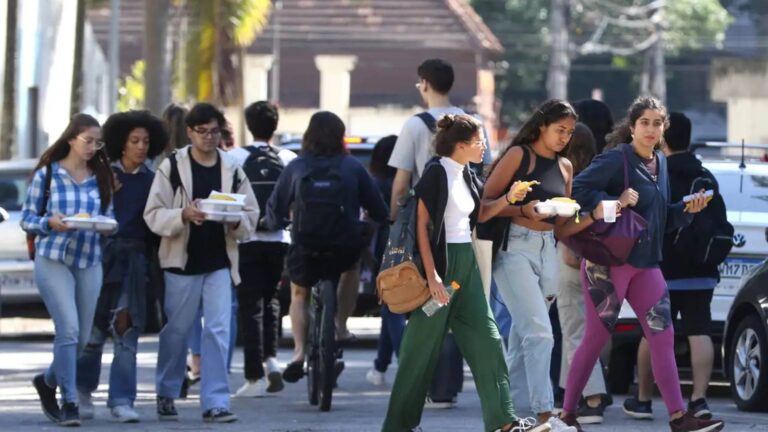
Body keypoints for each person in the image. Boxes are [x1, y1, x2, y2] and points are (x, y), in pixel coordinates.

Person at [555, 96, 724, 432]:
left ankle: (678, 416)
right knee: (594, 337)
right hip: (608, 263)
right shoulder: (617, 159)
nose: (650, 129)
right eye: (644, 122)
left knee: (663, 336)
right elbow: (577, 193)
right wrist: (614, 203)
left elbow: (662, 220)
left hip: (646, 265)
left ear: (664, 130)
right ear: (631, 127)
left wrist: (687, 211)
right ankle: (567, 414)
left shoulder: (660, 163)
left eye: (657, 123)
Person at [382, 114, 534, 432]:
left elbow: (481, 212)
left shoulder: (466, 172)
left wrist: (510, 199)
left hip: (466, 263)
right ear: (461, 145)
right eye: (479, 142)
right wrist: (433, 276)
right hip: (443, 265)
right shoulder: (437, 172)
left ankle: (502, 422)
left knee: (488, 340)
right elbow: (422, 225)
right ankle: (398, 426)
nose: (484, 148)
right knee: (418, 350)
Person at [144, 102, 258, 423]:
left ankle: (215, 401)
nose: (209, 138)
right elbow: (153, 214)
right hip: (181, 261)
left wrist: (235, 221)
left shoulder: (232, 168)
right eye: (202, 132)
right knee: (177, 331)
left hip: (220, 261)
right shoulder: (173, 167)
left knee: (218, 331)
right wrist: (183, 214)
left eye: (214, 131)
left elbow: (251, 213)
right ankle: (167, 392)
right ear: (190, 132)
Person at [266, 111, 388, 383]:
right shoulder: (352, 167)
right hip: (343, 245)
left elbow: (274, 209)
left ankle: (298, 353)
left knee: (299, 294)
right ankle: (340, 327)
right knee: (352, 267)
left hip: (305, 244)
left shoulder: (296, 166)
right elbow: (378, 208)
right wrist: (376, 222)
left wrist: (275, 221)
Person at [624, 112, 726, 421]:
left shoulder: (656, 172)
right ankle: (699, 399)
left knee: (650, 333)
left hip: (661, 270)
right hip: (700, 271)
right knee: (699, 331)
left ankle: (643, 399)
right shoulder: (705, 176)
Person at [483, 99, 578, 431]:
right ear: (542, 126)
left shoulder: (566, 167)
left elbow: (564, 224)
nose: (564, 137)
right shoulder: (519, 156)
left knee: (524, 338)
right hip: (514, 249)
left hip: (548, 250)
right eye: (559, 129)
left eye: (569, 132)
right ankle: (545, 415)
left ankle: (503, 414)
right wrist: (524, 210)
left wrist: (596, 217)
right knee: (540, 333)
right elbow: (484, 206)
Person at [22, 114, 116, 426]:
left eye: (97, 142)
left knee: (82, 338)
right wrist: (49, 223)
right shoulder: (48, 175)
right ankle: (69, 401)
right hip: (53, 258)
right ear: (72, 139)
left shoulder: (100, 176)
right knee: (69, 330)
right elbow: (27, 219)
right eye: (87, 140)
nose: (92, 147)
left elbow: (109, 218)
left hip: (89, 259)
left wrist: (105, 226)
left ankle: (47, 381)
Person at [76, 110, 166, 423]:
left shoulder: (154, 181)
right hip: (101, 257)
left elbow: (157, 226)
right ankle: (81, 391)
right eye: (134, 141)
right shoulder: (101, 175)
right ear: (121, 144)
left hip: (135, 262)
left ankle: (122, 399)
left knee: (127, 332)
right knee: (94, 331)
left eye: (146, 141)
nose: (141, 146)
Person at [388, 58, 467, 408]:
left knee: (425, 304)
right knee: (453, 300)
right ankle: (447, 386)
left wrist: (395, 221)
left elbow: (402, 183)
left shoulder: (415, 125)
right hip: (464, 226)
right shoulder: (471, 122)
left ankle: (428, 384)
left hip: (427, 225)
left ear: (423, 84)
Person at [227, 101, 296, 397]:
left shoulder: (234, 157)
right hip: (280, 239)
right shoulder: (289, 157)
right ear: (275, 126)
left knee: (249, 304)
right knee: (272, 302)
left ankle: (254, 376)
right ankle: (272, 361)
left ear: (248, 125)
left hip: (246, 238)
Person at [554, 123, 606, 424]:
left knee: (574, 331)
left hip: (569, 259)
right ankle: (568, 392)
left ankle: (594, 398)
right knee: (585, 329)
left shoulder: (568, 180)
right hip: (599, 263)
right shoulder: (601, 180)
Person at [364, 135, 406, 386]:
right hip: (414, 245)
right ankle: (380, 366)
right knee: (389, 306)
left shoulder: (376, 183)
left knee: (391, 307)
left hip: (385, 247)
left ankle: (404, 361)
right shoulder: (410, 179)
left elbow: (369, 220)